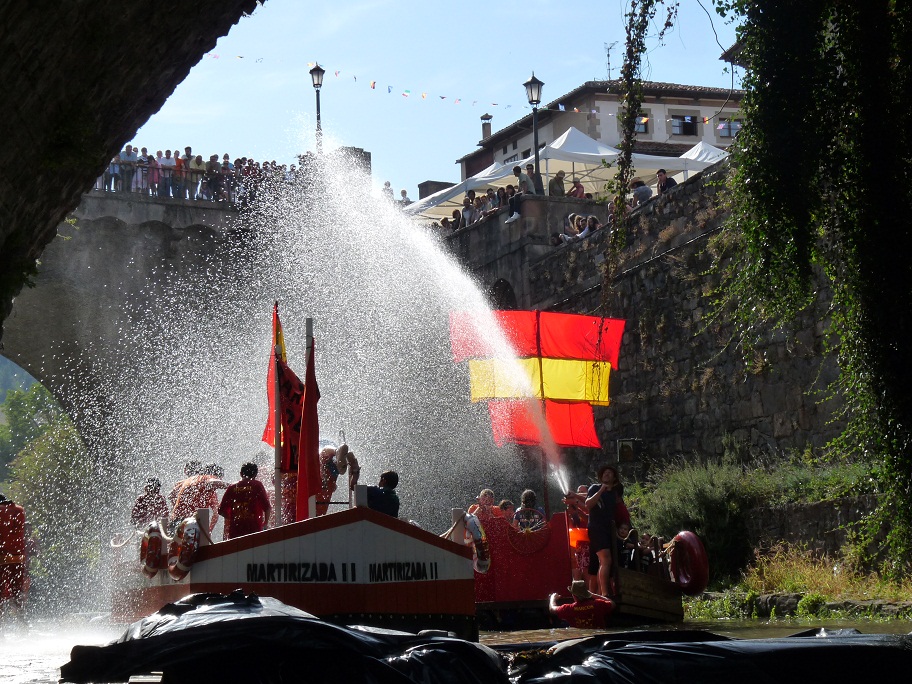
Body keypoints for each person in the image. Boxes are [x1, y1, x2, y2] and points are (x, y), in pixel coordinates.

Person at [587, 465, 619, 597]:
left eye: (610, 473)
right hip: (596, 528)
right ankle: (605, 594)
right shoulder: (594, 488)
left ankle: (600, 592)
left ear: (614, 478)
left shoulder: (614, 495)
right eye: (604, 472)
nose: (606, 474)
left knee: (603, 562)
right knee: (606, 560)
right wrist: (601, 490)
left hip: (608, 531)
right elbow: (588, 504)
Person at [218, 462, 272, 540]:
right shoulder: (257, 485)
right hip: (254, 530)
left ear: (240, 473)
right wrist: (266, 523)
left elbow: (221, 510)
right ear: (255, 475)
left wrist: (233, 518)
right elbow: (267, 507)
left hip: (235, 531)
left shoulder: (232, 487)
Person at [0, 493, 28, 618]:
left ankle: (1, 624)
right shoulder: (19, 510)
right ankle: (23, 621)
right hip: (18, 557)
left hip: (2, 557)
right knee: (17, 591)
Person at [549, 580, 615, 629]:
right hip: (598, 639)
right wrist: (593, 595)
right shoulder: (598, 604)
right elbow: (612, 603)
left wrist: (552, 598)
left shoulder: (569, 609)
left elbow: (552, 609)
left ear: (574, 595)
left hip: (580, 640)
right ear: (587, 593)